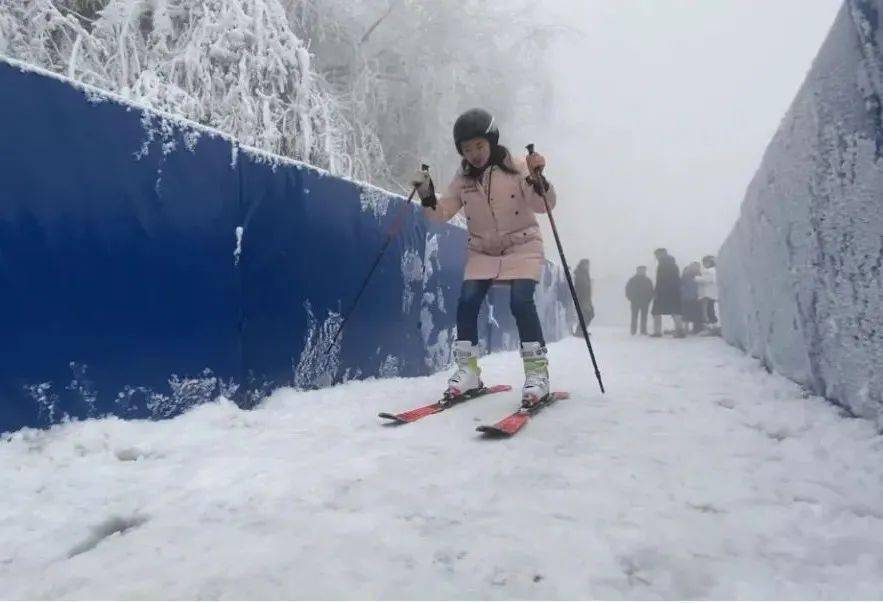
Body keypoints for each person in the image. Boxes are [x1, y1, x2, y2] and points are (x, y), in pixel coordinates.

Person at [410, 108, 557, 407]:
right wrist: (427, 194)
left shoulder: (518, 168)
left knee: (520, 301)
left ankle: (537, 374)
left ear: (490, 141)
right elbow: (441, 213)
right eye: (466, 149)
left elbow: (545, 206)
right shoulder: (462, 181)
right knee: (467, 301)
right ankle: (468, 371)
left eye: (479, 145)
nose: (474, 153)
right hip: (483, 251)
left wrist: (539, 179)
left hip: (522, 246)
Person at [650, 248, 685, 337]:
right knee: (675, 311)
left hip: (663, 292)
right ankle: (680, 330)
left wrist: (656, 291)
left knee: (656, 312)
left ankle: (657, 332)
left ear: (661, 254)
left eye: (657, 255)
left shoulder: (662, 265)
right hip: (675, 291)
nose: (656, 257)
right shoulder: (673, 264)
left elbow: (660, 280)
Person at [625, 265, 654, 335]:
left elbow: (651, 290)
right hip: (635, 301)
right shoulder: (632, 280)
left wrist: (649, 299)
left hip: (645, 301)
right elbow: (628, 290)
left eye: (643, 270)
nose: (642, 272)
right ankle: (633, 330)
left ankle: (643, 330)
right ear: (637, 271)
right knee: (634, 316)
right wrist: (630, 298)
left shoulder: (648, 280)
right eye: (640, 270)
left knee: (644, 317)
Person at [695, 255, 719, 332]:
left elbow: (707, 280)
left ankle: (712, 326)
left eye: (705, 262)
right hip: (709, 293)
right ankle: (712, 325)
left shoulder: (711, 271)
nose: (704, 264)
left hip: (708, 294)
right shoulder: (713, 270)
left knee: (709, 310)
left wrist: (696, 278)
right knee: (709, 309)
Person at [571, 258, 594, 334]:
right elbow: (576, 286)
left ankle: (581, 330)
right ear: (582, 265)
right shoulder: (578, 273)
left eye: (588, 265)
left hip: (586, 299)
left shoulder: (585, 274)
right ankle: (579, 331)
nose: (588, 266)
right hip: (581, 298)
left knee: (590, 314)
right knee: (586, 314)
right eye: (586, 264)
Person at [681, 261, 704, 334]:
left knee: (691, 313)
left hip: (693, 296)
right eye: (695, 266)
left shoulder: (696, 275)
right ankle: (692, 328)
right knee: (690, 313)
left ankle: (693, 328)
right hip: (689, 297)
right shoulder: (687, 275)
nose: (697, 268)